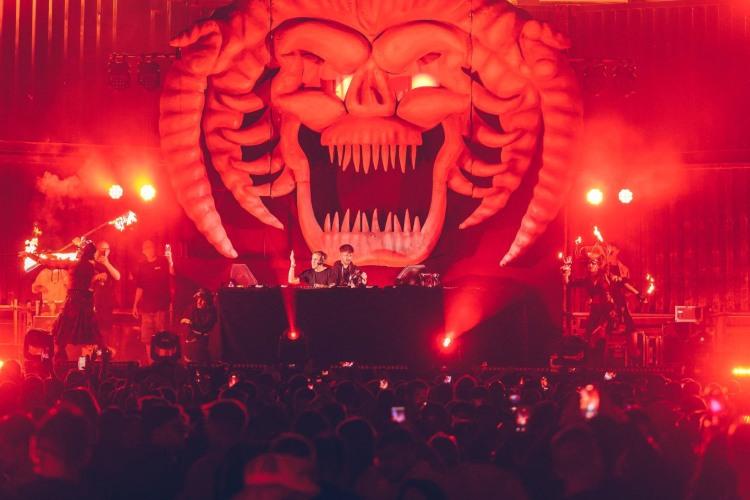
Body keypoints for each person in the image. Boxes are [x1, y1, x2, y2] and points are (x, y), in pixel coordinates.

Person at [40, 241, 106, 360]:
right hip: (85, 303)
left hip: (74, 303)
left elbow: (51, 263)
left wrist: (34, 257)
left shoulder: (75, 264)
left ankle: (60, 361)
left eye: (80, 250)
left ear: (82, 252)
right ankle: (102, 357)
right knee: (92, 335)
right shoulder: (94, 266)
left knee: (62, 336)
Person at [132, 240, 174, 363]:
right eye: (146, 248)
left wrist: (170, 260)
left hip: (161, 307)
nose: (149, 249)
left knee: (163, 339)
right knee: (147, 340)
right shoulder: (142, 265)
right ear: (143, 251)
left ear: (154, 248)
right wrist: (135, 305)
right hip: (146, 309)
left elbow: (172, 273)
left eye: (150, 247)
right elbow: (140, 287)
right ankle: (152, 365)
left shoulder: (163, 261)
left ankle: (164, 366)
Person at [92, 241, 120, 352]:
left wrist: (107, 263)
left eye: (107, 249)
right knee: (94, 329)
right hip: (93, 301)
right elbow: (84, 281)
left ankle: (104, 351)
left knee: (106, 329)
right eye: (102, 249)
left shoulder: (111, 263)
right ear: (97, 250)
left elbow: (117, 276)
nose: (104, 251)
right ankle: (94, 353)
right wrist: (96, 277)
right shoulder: (92, 264)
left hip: (107, 302)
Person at [180, 288, 217, 363]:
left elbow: (205, 326)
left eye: (202, 299)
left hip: (203, 344)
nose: (199, 302)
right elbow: (182, 320)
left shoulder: (212, 312)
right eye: (198, 299)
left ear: (208, 301)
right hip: (190, 341)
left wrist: (191, 323)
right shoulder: (192, 308)